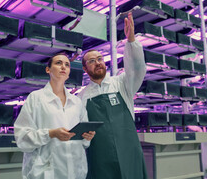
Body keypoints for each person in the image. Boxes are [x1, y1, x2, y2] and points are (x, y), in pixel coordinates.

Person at [78, 11, 148, 179]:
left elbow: (137, 68)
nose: (98, 63)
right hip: (100, 160)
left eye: (100, 59)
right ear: (85, 69)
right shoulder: (82, 97)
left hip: (129, 154)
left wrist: (131, 41)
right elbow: (82, 133)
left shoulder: (122, 84)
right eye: (92, 61)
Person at [14, 53, 96, 179]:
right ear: (48, 69)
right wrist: (51, 133)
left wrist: (87, 136)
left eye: (67, 65)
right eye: (58, 63)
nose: (63, 67)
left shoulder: (76, 102)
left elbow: (84, 143)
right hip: (45, 173)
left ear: (69, 72)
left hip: (75, 172)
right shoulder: (36, 98)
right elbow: (22, 138)